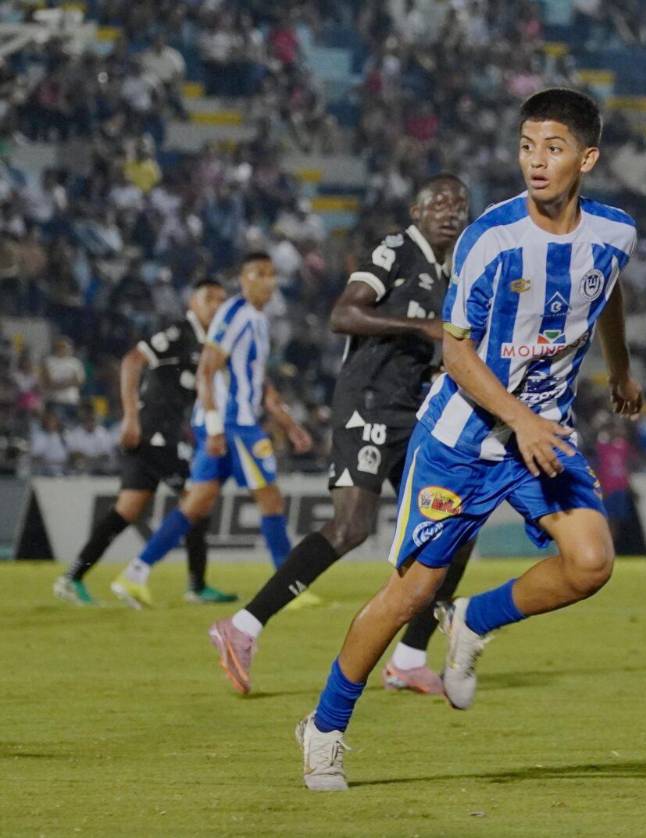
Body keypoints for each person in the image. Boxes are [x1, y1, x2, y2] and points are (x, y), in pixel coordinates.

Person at [295, 87, 643, 791]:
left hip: (541, 433)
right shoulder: (491, 239)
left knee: (591, 562)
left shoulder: (615, 234)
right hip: (464, 438)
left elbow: (606, 293)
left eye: (552, 147)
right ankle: (326, 727)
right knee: (406, 595)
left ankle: (475, 619)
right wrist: (518, 418)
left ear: (588, 157)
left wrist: (621, 371)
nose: (535, 162)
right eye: (525, 145)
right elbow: (455, 354)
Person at [207, 174, 475, 696]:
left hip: (416, 413)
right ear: (417, 210)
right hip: (369, 403)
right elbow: (344, 314)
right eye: (439, 201)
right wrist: (420, 329)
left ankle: (409, 659)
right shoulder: (397, 249)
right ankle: (241, 628)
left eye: (459, 205)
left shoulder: (451, 275)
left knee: (453, 530)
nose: (450, 212)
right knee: (351, 525)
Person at [109, 253, 313, 608]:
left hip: (231, 423)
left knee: (197, 503)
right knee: (270, 498)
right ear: (244, 279)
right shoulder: (234, 313)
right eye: (259, 273)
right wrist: (217, 427)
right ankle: (288, 587)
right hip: (234, 425)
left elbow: (257, 381)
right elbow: (207, 368)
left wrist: (289, 425)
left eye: (271, 274)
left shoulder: (258, 321)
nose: (268, 280)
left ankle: (135, 573)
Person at [53, 279, 232, 606]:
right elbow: (132, 361)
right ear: (193, 302)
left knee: (124, 512)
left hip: (162, 435)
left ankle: (72, 577)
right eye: (209, 298)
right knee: (197, 500)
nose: (216, 305)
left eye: (222, 300)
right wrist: (130, 416)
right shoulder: (180, 333)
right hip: (152, 434)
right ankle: (196, 585)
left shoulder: (211, 343)